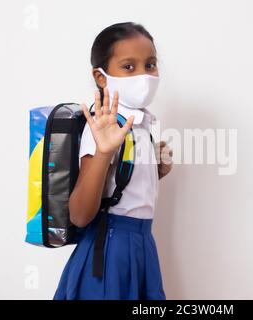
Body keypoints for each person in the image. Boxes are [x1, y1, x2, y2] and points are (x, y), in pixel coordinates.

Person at [53, 22, 173, 300]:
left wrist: (158, 169)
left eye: (151, 64)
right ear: (102, 76)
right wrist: (103, 152)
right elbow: (80, 215)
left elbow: (121, 188)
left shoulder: (139, 124)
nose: (144, 75)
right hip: (111, 251)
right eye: (129, 67)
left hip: (142, 243)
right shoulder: (103, 126)